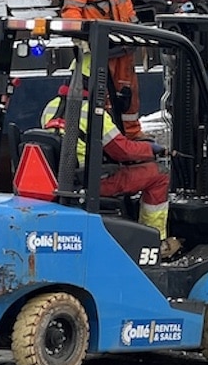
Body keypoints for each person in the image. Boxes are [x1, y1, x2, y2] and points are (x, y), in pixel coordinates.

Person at [41, 83, 180, 260]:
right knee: (159, 174)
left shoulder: (51, 107)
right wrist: (152, 149)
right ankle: (155, 241)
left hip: (65, 179)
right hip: (92, 181)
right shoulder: (91, 112)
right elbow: (122, 151)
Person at [61, 0, 146, 139]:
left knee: (129, 92)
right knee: (104, 96)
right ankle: (109, 139)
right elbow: (71, 12)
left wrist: (136, 31)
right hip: (100, 48)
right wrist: (82, 39)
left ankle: (132, 133)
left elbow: (125, 3)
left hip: (123, 43)